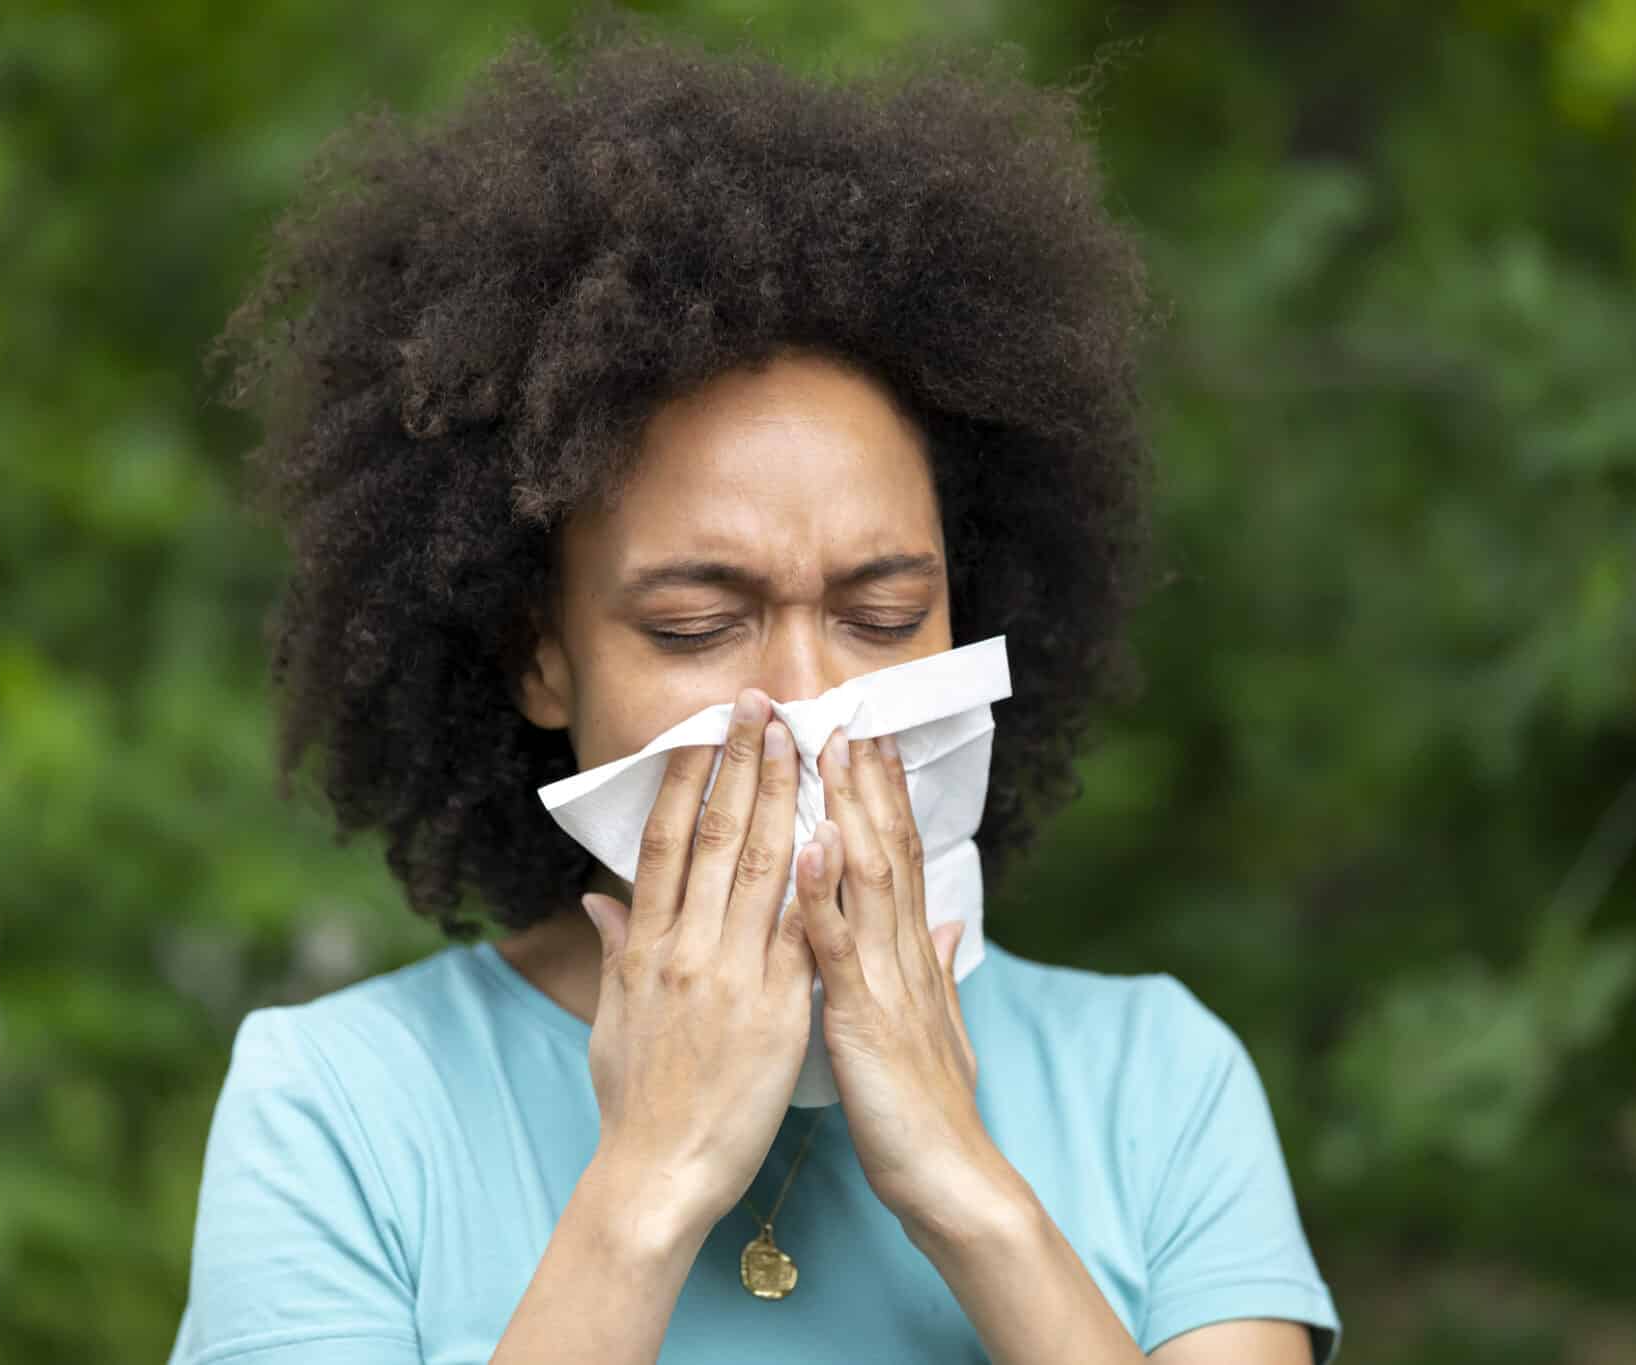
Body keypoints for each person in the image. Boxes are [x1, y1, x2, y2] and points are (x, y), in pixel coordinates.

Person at [169, 16, 1342, 1365]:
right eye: (697, 623)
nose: (803, 697)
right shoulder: (340, 1107)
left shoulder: (1157, 1084)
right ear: (538, 653)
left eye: (883, 612)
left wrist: (967, 1189)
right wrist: (645, 1189)